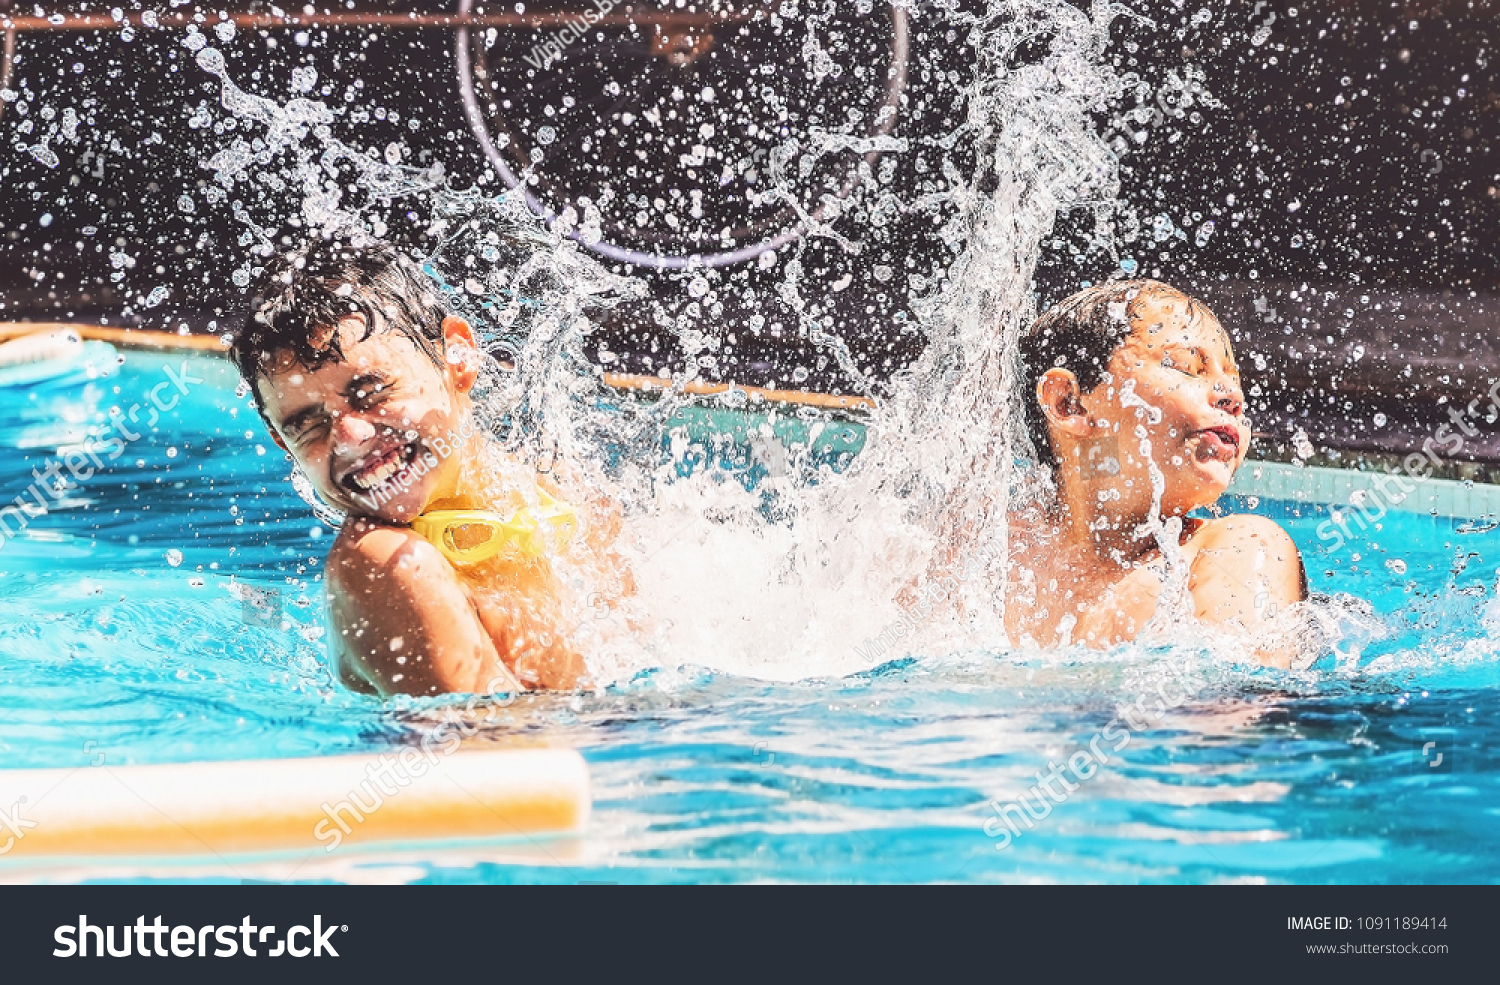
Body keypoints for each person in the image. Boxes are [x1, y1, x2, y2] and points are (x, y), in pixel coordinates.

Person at [231, 240, 627, 696]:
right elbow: (497, 751)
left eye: (371, 393)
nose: (352, 438)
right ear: (284, 444)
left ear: (458, 359)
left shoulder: (573, 503)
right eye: (311, 427)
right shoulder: (388, 565)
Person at [1007, 279, 1308, 665]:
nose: (1233, 397)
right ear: (1069, 404)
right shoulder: (985, 555)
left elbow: (1232, 708)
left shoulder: (1239, 549)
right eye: (1184, 366)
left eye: (1234, 380)